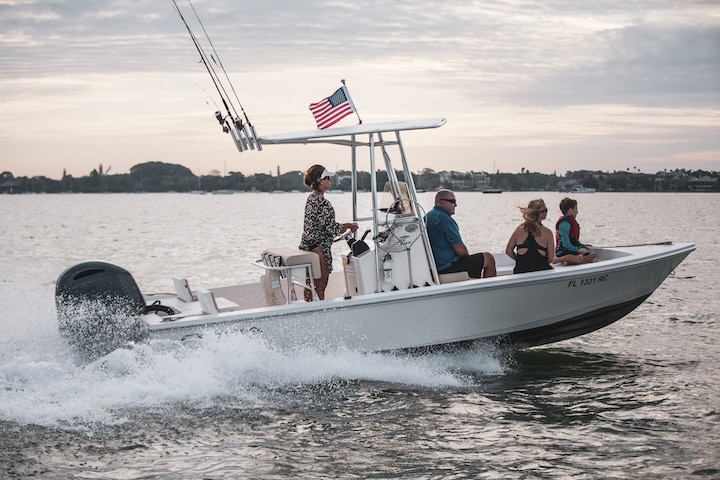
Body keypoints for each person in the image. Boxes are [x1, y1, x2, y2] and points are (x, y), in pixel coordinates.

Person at [299, 164, 358, 300]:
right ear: (320, 181)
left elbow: (323, 226)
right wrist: (350, 226)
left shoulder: (311, 198)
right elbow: (331, 228)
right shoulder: (322, 202)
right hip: (319, 249)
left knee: (310, 284)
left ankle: (309, 309)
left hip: (308, 246)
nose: (330, 181)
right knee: (320, 285)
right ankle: (319, 314)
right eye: (328, 178)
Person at [425, 189, 496, 278]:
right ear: (442, 203)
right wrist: (469, 260)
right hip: (447, 266)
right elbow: (461, 251)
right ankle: (488, 290)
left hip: (435, 266)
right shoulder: (445, 220)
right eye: (452, 201)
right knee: (488, 258)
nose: (456, 205)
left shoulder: (427, 217)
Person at [505, 199, 555, 273]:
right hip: (541, 272)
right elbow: (551, 259)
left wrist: (520, 260)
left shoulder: (519, 230)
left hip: (520, 271)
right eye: (545, 210)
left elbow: (508, 251)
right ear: (540, 214)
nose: (546, 212)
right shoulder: (547, 233)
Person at [554, 197, 595, 265]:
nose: (577, 212)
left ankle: (567, 261)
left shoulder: (569, 222)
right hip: (563, 252)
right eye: (576, 209)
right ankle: (559, 260)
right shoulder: (565, 224)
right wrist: (577, 250)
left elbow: (573, 241)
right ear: (570, 210)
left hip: (569, 250)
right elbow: (566, 244)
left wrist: (582, 246)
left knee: (591, 255)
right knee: (585, 257)